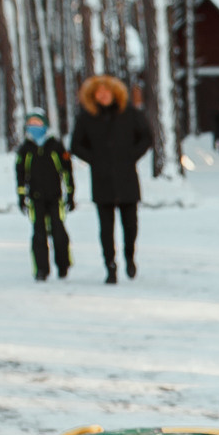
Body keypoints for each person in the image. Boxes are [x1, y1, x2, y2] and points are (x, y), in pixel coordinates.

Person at [70, 74, 153, 284]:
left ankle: (129, 257)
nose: (103, 95)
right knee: (106, 228)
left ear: (115, 93)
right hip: (102, 180)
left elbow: (146, 137)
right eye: (99, 92)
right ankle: (110, 265)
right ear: (93, 95)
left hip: (127, 179)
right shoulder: (87, 117)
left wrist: (131, 156)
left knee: (130, 224)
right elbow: (76, 145)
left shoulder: (129, 114)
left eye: (107, 91)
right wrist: (95, 160)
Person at [14, 109, 74, 282]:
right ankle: (41, 269)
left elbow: (67, 171)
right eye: (31, 124)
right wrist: (21, 196)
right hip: (35, 199)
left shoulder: (55, 145)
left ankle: (63, 264)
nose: (34, 127)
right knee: (38, 234)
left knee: (59, 232)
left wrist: (70, 193)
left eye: (37, 123)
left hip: (55, 197)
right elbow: (20, 174)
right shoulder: (25, 149)